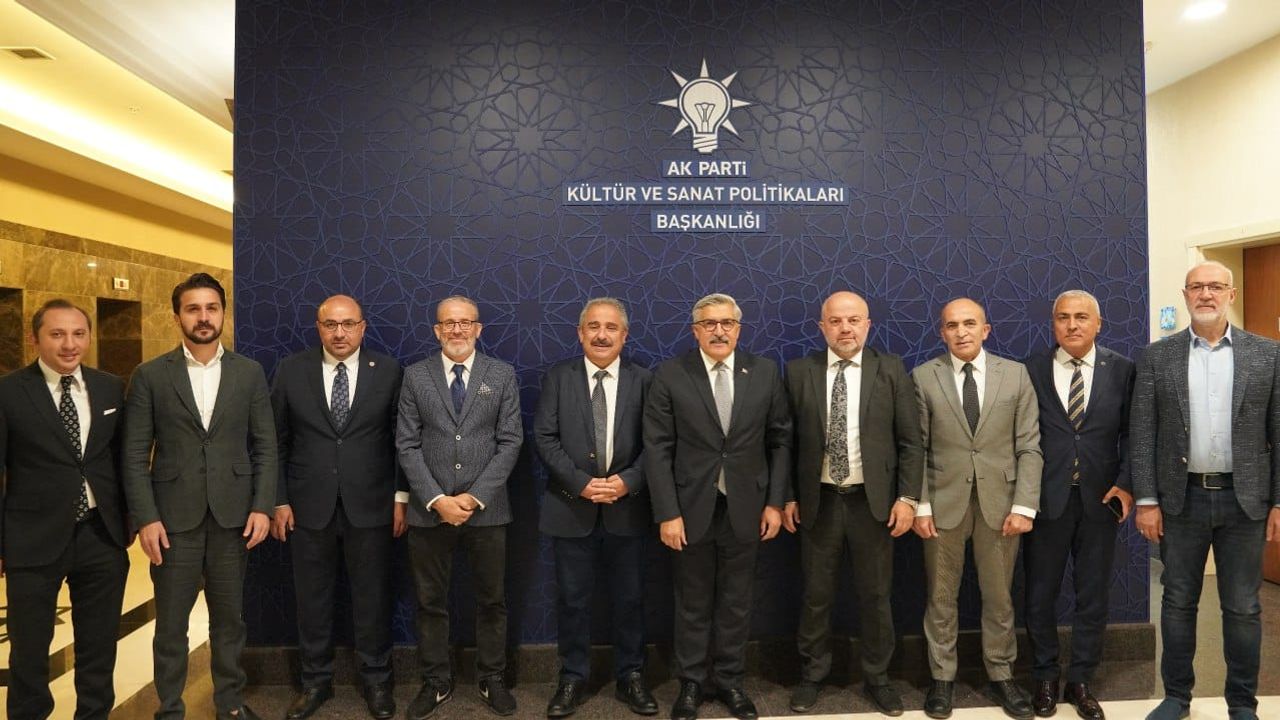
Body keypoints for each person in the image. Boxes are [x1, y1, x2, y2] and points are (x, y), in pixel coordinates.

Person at [123, 272, 278, 720]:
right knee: (171, 627)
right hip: (172, 522)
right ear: (177, 317)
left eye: (212, 308)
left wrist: (262, 506)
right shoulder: (150, 375)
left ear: (224, 314)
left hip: (234, 519)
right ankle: (170, 709)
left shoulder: (249, 373)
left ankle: (230, 704)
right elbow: (134, 454)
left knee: (230, 622)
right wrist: (146, 517)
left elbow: (266, 446)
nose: (203, 317)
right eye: (193, 309)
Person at [1129, 261, 1280, 720]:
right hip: (1181, 500)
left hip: (1245, 501)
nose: (1206, 294)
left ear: (1231, 294)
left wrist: (1279, 500)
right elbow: (1143, 432)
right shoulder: (1157, 356)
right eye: (1197, 286)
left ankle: (1242, 704)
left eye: (1216, 286)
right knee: (1177, 602)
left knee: (1243, 607)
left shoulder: (1268, 354)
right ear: (1185, 295)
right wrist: (1147, 500)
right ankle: (1176, 697)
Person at [644, 293, 792, 720]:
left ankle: (730, 681)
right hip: (689, 509)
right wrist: (667, 512)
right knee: (691, 602)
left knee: (737, 602)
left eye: (727, 323)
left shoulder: (764, 372)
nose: (719, 331)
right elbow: (657, 448)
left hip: (748, 507)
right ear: (696, 331)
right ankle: (691, 683)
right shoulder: (671, 374)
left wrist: (775, 502)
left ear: (739, 329)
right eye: (709, 324)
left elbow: (780, 440)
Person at [784, 290, 924, 716]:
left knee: (876, 596)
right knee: (816, 595)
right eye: (836, 321)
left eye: (854, 320)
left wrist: (908, 498)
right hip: (819, 502)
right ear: (821, 327)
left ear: (868, 325)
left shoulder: (892, 369)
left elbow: (911, 442)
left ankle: (878, 678)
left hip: (873, 504)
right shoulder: (798, 372)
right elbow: (784, 442)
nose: (845, 328)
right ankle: (812, 674)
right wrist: (787, 496)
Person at [269, 295, 406, 719]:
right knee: (312, 600)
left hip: (373, 505)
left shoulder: (389, 371)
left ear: (363, 327)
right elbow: (275, 442)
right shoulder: (291, 370)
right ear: (318, 327)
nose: (339, 333)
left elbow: (402, 441)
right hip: (307, 507)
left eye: (348, 324)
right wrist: (278, 499)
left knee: (372, 599)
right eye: (330, 324)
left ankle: (377, 681)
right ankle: (315, 682)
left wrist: (401, 497)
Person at [912, 298, 1042, 720]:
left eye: (969, 324)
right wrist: (921, 505)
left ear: (986, 330)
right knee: (940, 596)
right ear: (942, 332)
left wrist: (1025, 505)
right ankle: (941, 678)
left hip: (1002, 506)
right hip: (942, 504)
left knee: (1000, 597)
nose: (961, 332)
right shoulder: (923, 376)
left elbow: (1029, 446)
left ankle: (1002, 674)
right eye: (952, 325)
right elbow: (916, 448)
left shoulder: (1015, 374)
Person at [0, 300, 130, 720]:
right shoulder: (8, 392)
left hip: (101, 536)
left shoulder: (110, 387)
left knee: (99, 647)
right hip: (32, 540)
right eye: (57, 334)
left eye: (78, 334)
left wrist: (128, 525)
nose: (69, 344)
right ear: (34, 338)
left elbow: (122, 460)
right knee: (29, 652)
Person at [396, 295, 522, 718]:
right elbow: (406, 444)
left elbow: (511, 442)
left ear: (478, 329)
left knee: (492, 600)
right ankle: (436, 680)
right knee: (430, 602)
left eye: (465, 322)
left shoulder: (501, 375)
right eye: (448, 323)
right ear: (436, 330)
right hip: (429, 510)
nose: (457, 330)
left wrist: (472, 497)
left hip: (487, 511)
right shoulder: (415, 376)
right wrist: (436, 499)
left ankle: (492, 677)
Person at [533, 297, 657, 718]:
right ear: (580, 333)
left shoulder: (644, 379)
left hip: (629, 508)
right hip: (571, 508)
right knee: (572, 601)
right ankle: (572, 677)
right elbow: (545, 437)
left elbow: (657, 442)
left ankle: (632, 676)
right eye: (593, 327)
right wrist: (581, 483)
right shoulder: (559, 377)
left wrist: (629, 481)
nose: (602, 335)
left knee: (631, 600)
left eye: (611, 328)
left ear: (625, 335)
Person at [1022, 290, 1135, 720]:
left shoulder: (1122, 370)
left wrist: (1125, 484)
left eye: (1082, 317)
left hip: (1101, 501)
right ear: (1053, 323)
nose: (1072, 325)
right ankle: (1045, 676)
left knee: (1092, 595)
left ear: (1098, 324)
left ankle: (1081, 680)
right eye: (1063, 317)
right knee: (1040, 595)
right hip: (1044, 500)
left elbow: (1133, 433)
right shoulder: (1030, 369)